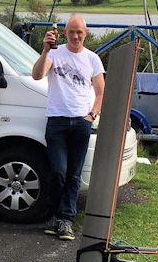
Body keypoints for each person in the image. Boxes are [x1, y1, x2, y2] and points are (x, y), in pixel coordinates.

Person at [31, 15, 104, 241]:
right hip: (57, 121)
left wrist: (91, 115)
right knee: (58, 171)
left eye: (79, 32)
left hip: (81, 123)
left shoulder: (92, 59)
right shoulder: (54, 52)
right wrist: (44, 50)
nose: (75, 36)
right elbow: (36, 75)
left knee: (73, 174)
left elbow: (101, 91)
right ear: (65, 33)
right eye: (71, 32)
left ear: (86, 33)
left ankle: (66, 219)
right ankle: (55, 213)